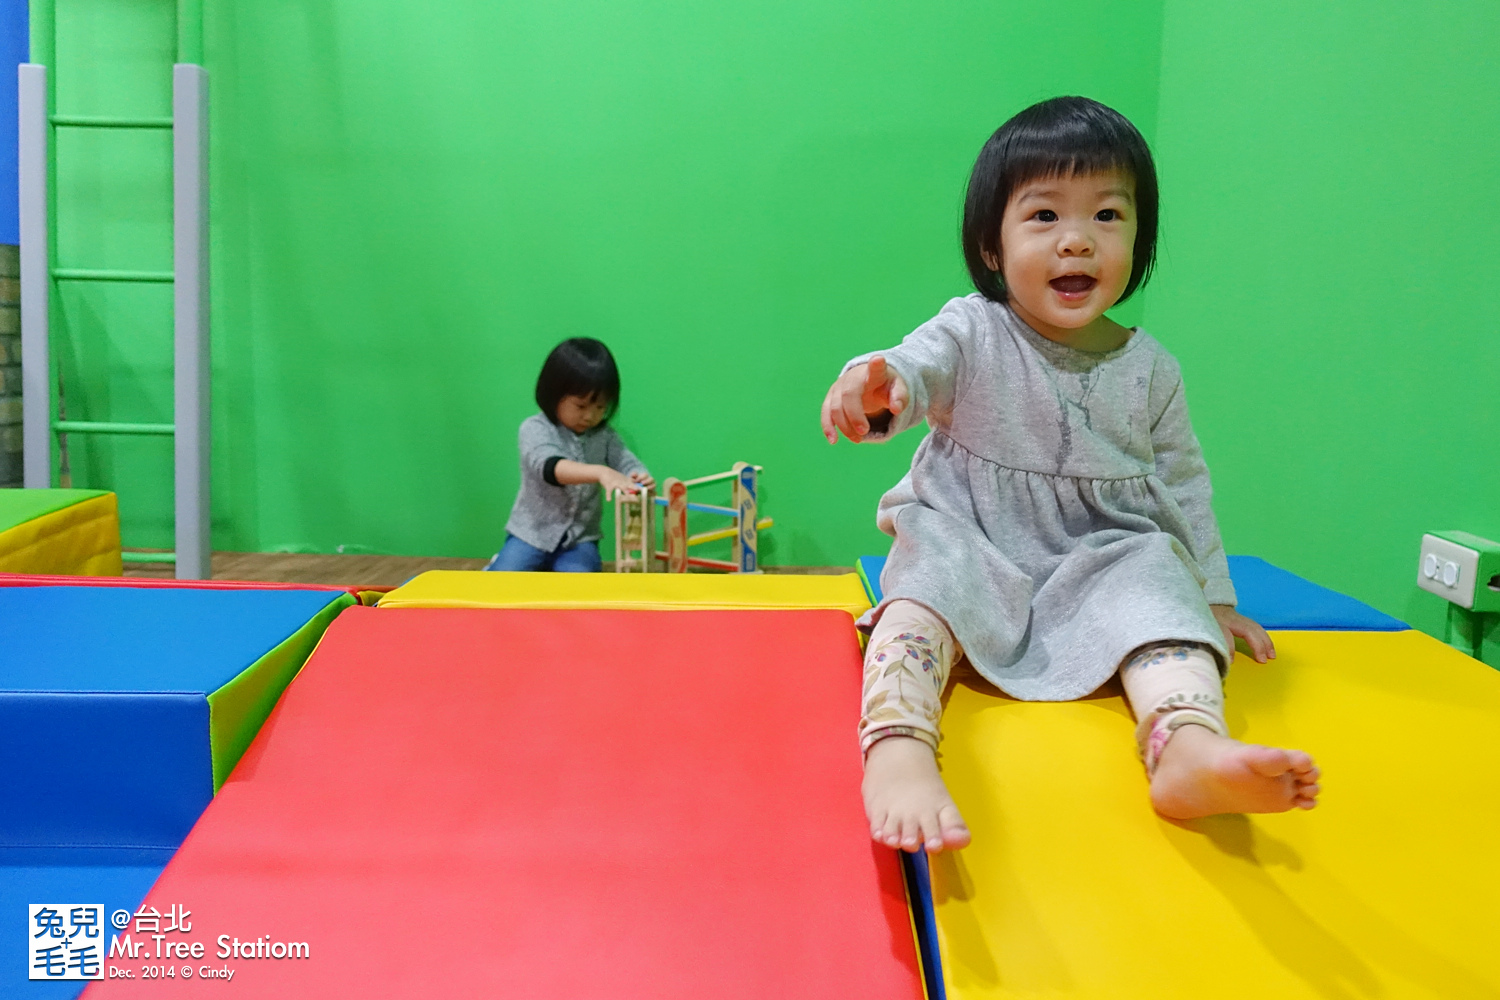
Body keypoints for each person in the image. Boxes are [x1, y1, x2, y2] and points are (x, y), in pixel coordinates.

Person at [819, 96, 1320, 855]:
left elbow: (1184, 483)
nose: (1078, 241)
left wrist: (1211, 595)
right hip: (972, 537)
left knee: (1159, 585)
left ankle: (1185, 746)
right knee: (915, 604)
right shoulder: (973, 327)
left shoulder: (1150, 368)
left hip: (1101, 552)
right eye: (1045, 217)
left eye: (1108, 217)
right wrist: (876, 382)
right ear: (992, 248)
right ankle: (898, 748)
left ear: (1139, 239)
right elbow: (917, 368)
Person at [488, 338, 654, 572]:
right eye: (581, 406)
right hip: (531, 534)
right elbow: (550, 468)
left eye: (600, 407)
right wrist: (600, 472)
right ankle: (497, 565)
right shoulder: (535, 429)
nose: (590, 416)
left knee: (581, 588)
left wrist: (639, 477)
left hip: (579, 541)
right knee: (502, 584)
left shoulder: (604, 436)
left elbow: (626, 461)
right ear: (554, 394)